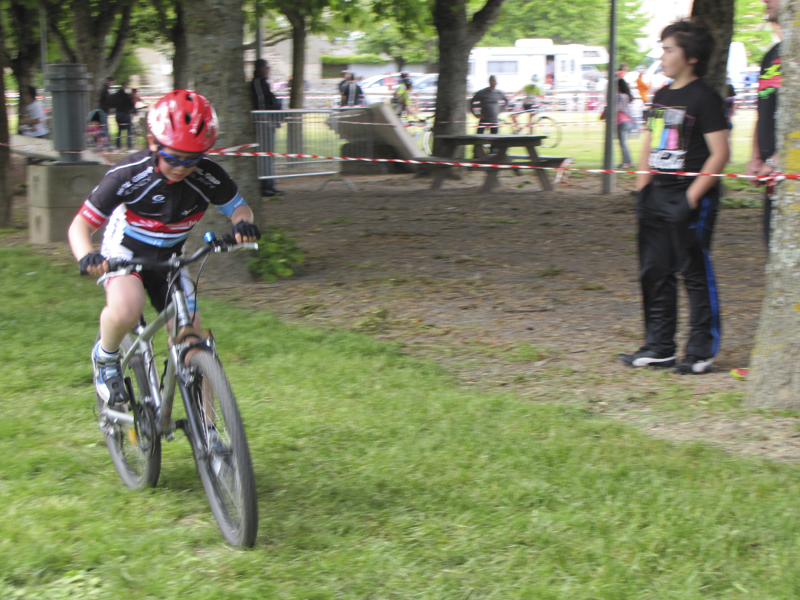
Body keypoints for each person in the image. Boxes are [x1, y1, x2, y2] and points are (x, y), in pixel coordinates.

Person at [67, 90, 261, 406]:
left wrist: (242, 224)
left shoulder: (208, 176)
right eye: (172, 156)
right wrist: (87, 254)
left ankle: (213, 443)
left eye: (192, 158)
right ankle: (105, 357)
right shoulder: (128, 174)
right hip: (125, 253)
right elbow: (80, 225)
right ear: (153, 142)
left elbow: (241, 209)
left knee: (195, 342)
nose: (182, 166)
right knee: (127, 309)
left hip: (170, 258)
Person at [620, 19, 730, 375]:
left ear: (691, 57)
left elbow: (719, 154)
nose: (662, 56)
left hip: (689, 198)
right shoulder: (662, 95)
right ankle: (659, 346)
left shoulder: (706, 98)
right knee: (654, 271)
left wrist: (692, 198)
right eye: (662, 49)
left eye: (669, 50)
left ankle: (700, 350)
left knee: (694, 272)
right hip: (656, 194)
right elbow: (650, 143)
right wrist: (642, 187)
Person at [732, 0, 781, 381]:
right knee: (779, 269)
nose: (766, 0)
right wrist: (754, 156)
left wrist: (784, 159)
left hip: (788, 175)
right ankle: (779, 359)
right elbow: (764, 112)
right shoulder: (772, 56)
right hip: (771, 184)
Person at [250, 58, 283, 197]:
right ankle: (265, 186)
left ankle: (270, 184)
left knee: (269, 155)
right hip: (263, 123)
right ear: (261, 69)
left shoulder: (263, 83)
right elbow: (261, 103)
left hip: (268, 122)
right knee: (264, 155)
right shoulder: (257, 83)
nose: (268, 70)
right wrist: (268, 118)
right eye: (266, 68)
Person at [616, 78, 635, 168]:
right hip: (627, 120)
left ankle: (626, 163)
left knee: (622, 143)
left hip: (621, 121)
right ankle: (629, 162)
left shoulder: (619, 96)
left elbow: (618, 108)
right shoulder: (626, 96)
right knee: (624, 143)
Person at [112, 82, 136, 150]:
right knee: (129, 130)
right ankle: (129, 147)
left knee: (119, 130)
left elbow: (113, 103)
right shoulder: (126, 96)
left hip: (118, 113)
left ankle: (118, 146)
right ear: (125, 87)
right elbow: (131, 105)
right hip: (125, 113)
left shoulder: (116, 95)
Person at [97, 77, 114, 145]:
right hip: (104, 110)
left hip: (104, 110)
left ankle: (102, 143)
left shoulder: (105, 90)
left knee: (103, 127)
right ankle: (106, 143)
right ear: (109, 82)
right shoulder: (106, 91)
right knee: (104, 127)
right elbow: (107, 101)